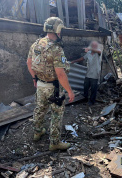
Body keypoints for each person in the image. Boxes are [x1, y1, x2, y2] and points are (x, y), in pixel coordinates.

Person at [27, 17, 75, 151]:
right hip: (54, 88)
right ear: (58, 30)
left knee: (40, 109)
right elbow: (60, 74)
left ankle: (37, 132)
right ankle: (54, 142)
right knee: (56, 114)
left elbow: (29, 63)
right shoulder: (57, 49)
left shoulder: (36, 43)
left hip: (40, 85)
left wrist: (34, 79)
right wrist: (70, 91)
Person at [71, 41, 102, 105]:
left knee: (93, 88)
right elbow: (82, 58)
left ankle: (92, 101)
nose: (93, 46)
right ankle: (85, 98)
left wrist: (89, 48)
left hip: (95, 73)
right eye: (92, 45)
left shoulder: (98, 52)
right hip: (88, 73)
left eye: (94, 46)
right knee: (86, 86)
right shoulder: (89, 53)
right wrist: (74, 61)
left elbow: (99, 51)